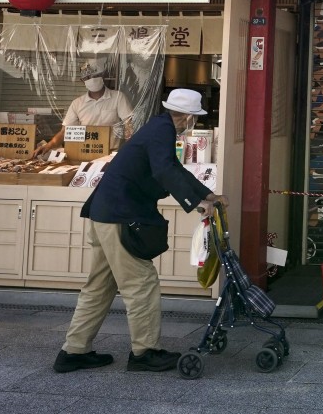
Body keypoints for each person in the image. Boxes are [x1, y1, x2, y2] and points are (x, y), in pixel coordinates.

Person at [53, 88, 226, 374]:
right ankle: (145, 352)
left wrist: (207, 196)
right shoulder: (162, 131)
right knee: (141, 283)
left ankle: (74, 351)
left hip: (104, 214)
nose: (192, 123)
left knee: (98, 286)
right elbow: (165, 171)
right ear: (185, 117)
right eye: (193, 118)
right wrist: (199, 203)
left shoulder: (157, 127)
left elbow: (174, 170)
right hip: (121, 215)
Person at [36, 60, 134, 157]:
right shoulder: (77, 103)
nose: (92, 79)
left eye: (95, 76)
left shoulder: (118, 97)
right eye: (87, 77)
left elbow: (128, 125)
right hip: (85, 152)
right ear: (82, 81)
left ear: (103, 76)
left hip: (111, 154)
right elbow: (64, 131)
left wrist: (129, 150)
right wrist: (48, 146)